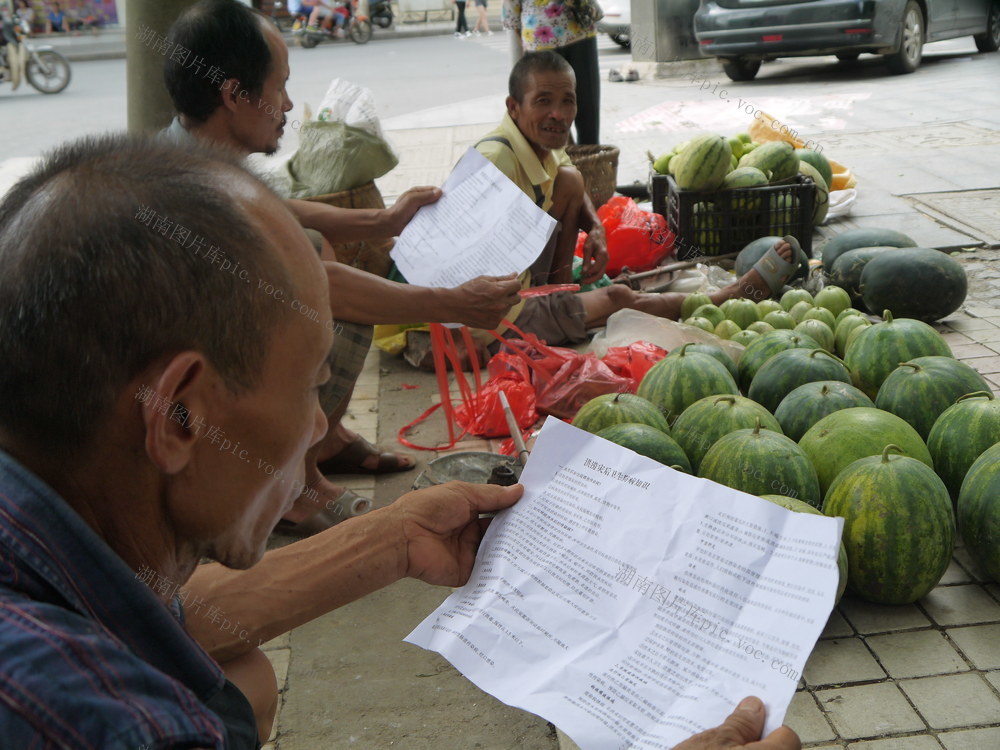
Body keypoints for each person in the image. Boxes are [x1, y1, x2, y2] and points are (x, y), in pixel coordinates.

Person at [0, 132, 799, 750]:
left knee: (241, 680)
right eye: (311, 388)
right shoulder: (95, 720)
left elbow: (163, 617)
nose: (321, 428)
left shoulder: (54, 525)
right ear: (181, 417)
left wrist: (392, 538)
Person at [163, 0, 522, 536]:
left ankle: (321, 441)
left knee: (312, 245)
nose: (287, 105)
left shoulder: (190, 147)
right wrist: (453, 303)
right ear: (234, 95)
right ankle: (289, 484)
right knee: (327, 306)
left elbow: (278, 209)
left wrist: (385, 219)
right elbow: (317, 286)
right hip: (184, 408)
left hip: (200, 359)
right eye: (279, 87)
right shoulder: (197, 197)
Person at [474, 51, 799, 347]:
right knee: (618, 297)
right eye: (543, 101)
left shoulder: (536, 143)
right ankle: (727, 297)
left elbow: (571, 182)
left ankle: (563, 298)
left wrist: (596, 230)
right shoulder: (495, 163)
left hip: (520, 281)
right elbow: (460, 267)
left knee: (570, 180)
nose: (558, 114)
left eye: (567, 101)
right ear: (513, 107)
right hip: (497, 315)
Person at [503, 0, 600, 144]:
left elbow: (511, 15)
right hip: (542, 37)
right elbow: (512, 14)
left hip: (578, 31)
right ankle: (559, 160)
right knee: (549, 112)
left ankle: (588, 160)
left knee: (586, 110)